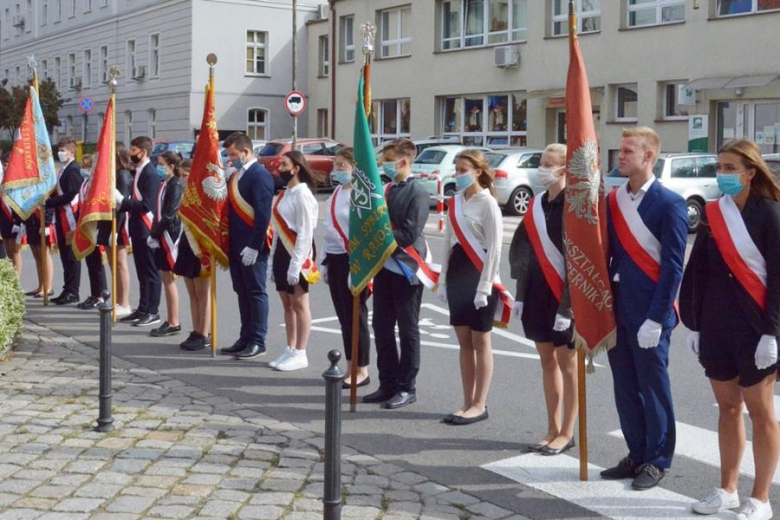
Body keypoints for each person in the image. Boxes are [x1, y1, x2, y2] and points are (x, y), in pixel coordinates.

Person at [680, 139, 780, 520]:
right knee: (727, 407)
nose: (721, 174)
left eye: (728, 167)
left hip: (757, 328)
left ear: (749, 173)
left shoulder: (769, 214)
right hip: (717, 326)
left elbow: (778, 278)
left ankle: (761, 498)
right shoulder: (712, 213)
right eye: (719, 167)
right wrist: (694, 323)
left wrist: (772, 332)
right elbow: (698, 271)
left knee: (761, 412)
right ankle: (727, 490)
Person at [601, 127, 688, 490]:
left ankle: (657, 459)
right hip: (619, 310)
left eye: (627, 151)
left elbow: (672, 267)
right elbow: (607, 256)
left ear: (648, 156)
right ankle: (636, 452)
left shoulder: (670, 203)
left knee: (653, 388)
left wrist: (656, 317)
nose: (620, 156)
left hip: (650, 312)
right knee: (625, 386)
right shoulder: (613, 201)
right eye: (619, 150)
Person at [509, 143, 577, 452]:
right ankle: (551, 427)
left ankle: (567, 430)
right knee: (546, 361)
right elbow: (523, 251)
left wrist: (568, 307)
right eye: (542, 162)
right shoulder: (536, 205)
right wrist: (520, 293)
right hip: (536, 293)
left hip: (564, 298)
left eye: (549, 164)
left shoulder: (575, 207)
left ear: (564, 169)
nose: (543, 169)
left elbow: (579, 261)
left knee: (568, 365)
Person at [437, 149, 503, 425]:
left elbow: (496, 248)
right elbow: (448, 243)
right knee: (464, 342)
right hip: (457, 275)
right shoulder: (455, 202)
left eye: (463, 169)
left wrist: (485, 286)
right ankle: (466, 401)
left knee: (481, 340)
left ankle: (479, 403)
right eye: (457, 169)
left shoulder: (488, 204)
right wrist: (442, 280)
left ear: (477, 172)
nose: (458, 174)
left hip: (481, 276)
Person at [364, 138, 429, 410]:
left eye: (388, 160)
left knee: (407, 328)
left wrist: (378, 238)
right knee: (381, 326)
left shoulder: (418, 191)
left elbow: (409, 233)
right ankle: (387, 382)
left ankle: (406, 387)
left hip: (406, 267)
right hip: (384, 268)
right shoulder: (388, 189)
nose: (384, 165)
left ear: (403, 162)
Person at [220, 132, 274, 359]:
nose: (231, 159)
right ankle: (245, 336)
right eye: (229, 155)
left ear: (246, 151)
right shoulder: (237, 175)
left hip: (253, 247)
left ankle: (258, 340)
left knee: (255, 292)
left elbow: (262, 216)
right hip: (236, 245)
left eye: (234, 154)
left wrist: (254, 246)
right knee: (241, 291)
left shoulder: (259, 175)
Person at [320, 147, 371, 387]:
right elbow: (329, 231)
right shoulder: (337, 192)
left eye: (343, 165)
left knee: (356, 317)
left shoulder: (361, 195)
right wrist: (324, 261)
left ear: (355, 168)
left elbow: (366, 232)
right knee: (344, 318)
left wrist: (358, 265)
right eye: (336, 165)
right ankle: (350, 365)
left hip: (355, 261)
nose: (337, 170)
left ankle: (362, 369)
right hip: (336, 259)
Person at [268, 150, 319, 372]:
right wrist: (272, 261)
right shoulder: (285, 193)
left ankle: (301, 351)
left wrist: (296, 264)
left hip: (298, 252)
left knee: (299, 304)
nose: (280, 168)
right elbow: (278, 230)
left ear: (296, 168)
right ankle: (290, 347)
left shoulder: (303, 195)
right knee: (287, 304)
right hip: (281, 251)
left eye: (285, 164)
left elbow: (306, 233)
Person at [115, 136, 162, 327]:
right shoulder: (138, 171)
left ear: (143, 152)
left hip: (147, 227)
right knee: (141, 271)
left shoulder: (150, 173)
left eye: (133, 150)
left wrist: (122, 201)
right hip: (136, 227)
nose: (130, 154)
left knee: (151, 272)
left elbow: (147, 205)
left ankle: (153, 311)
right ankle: (142, 308)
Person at [174, 159, 212, 351]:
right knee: (191, 291)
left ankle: (204, 332)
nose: (182, 180)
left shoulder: (204, 193)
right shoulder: (185, 194)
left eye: (186, 176)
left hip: (201, 245)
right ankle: (196, 330)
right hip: (186, 243)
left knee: (202, 292)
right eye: (181, 176)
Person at [147, 151, 184, 337]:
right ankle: (170, 319)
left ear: (171, 165)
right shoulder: (165, 183)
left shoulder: (176, 184)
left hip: (170, 234)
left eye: (161, 163)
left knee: (168, 279)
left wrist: (154, 233)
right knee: (165, 278)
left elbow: (170, 214)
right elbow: (158, 211)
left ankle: (174, 321)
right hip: (161, 233)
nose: (158, 166)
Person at [45, 137, 83, 305]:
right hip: (61, 216)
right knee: (64, 255)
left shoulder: (74, 169)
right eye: (59, 150)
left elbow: (72, 194)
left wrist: (50, 202)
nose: (60, 153)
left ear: (71, 152)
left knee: (71, 256)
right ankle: (67, 288)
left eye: (63, 150)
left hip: (70, 217)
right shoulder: (63, 169)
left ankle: (73, 291)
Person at [97, 142, 133, 317]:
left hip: (117, 223)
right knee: (112, 264)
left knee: (120, 264)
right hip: (106, 222)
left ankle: (124, 302)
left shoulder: (123, 175)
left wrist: (116, 230)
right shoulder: (111, 175)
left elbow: (123, 204)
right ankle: (117, 299)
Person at [76, 154, 108, 310]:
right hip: (86, 226)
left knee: (97, 264)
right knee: (90, 263)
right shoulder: (85, 182)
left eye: (86, 167)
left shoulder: (96, 184)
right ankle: (94, 293)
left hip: (95, 227)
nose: (83, 169)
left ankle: (101, 295)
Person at [0, 151, 22, 272]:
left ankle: (16, 280)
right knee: (8, 248)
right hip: (3, 215)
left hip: (14, 216)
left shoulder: (18, 179)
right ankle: (11, 276)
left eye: (9, 163)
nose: (6, 166)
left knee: (15, 250)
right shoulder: (3, 178)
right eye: (4, 163)